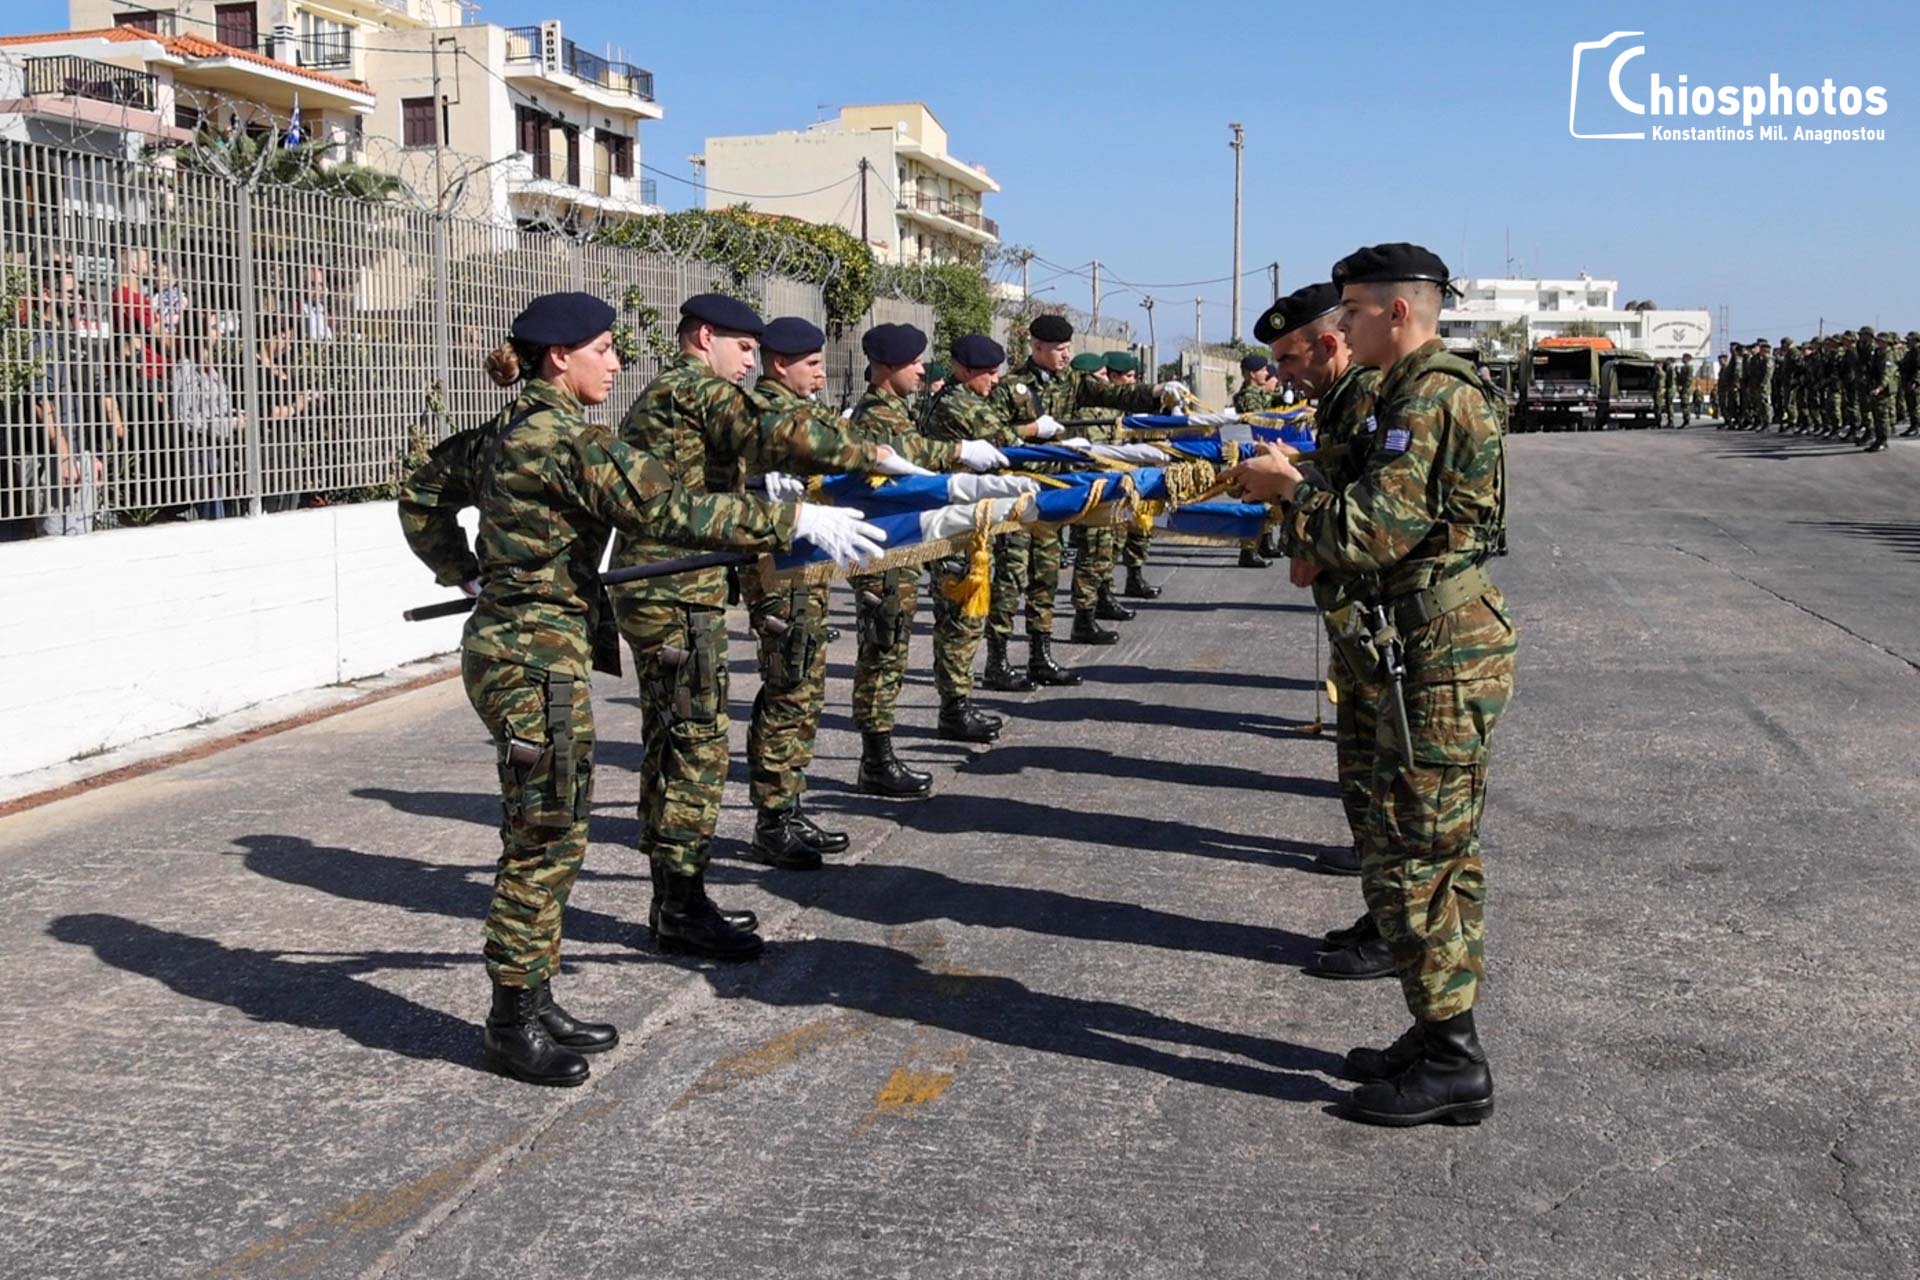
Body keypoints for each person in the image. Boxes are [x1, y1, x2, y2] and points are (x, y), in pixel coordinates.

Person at [397, 291, 883, 1086]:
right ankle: (510, 1021)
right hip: (530, 661)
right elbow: (667, 504)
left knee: (557, 827)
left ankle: (534, 993)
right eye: (605, 349)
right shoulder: (561, 442)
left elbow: (423, 492)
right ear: (561, 357)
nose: (617, 363)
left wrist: (464, 568)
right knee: (545, 836)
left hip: (526, 648)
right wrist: (787, 526)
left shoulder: (504, 432)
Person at [1229, 243, 1513, 1127]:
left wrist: (1287, 493)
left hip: (1439, 654)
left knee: (1420, 857)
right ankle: (1436, 1037)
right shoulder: (1405, 392)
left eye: (1350, 311)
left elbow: (1368, 531)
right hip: (1420, 645)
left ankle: (1455, 1060)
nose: (1340, 326)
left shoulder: (1430, 397)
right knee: (1417, 848)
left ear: (1397, 311)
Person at [612, 294, 900, 959]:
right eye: (744, 348)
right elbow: (779, 431)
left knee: (674, 742)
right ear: (704, 337)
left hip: (675, 583)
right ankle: (680, 908)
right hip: (674, 589)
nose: (750, 362)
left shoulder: (683, 394)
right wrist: (877, 453)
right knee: (694, 746)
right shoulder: (692, 387)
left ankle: (676, 900)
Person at [742, 316, 915, 865]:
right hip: (780, 571)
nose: (820, 375)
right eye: (812, 365)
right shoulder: (768, 411)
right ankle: (773, 819)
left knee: (805, 684)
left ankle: (789, 806)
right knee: (789, 684)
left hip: (808, 570)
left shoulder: (802, 408)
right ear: (780, 365)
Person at [1255, 282, 1387, 970]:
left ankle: (1398, 929)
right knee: (1359, 768)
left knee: (1385, 784)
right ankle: (1383, 908)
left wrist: (1289, 494)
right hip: (1356, 617)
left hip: (1380, 616)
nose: (1284, 374)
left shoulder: (1368, 397)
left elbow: (1368, 517)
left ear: (1329, 343)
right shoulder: (1338, 399)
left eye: (1290, 358)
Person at [988, 314, 1181, 684]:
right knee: (1009, 580)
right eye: (1059, 349)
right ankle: (997, 660)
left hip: (1053, 496)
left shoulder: (1072, 382)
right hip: (1015, 495)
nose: (1066, 355)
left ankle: (1039, 657)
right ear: (1037, 347)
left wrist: (1156, 393)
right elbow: (990, 437)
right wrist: (1033, 434)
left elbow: (1114, 394)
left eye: (1068, 348)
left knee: (1044, 577)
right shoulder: (1011, 386)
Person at [844, 322, 983, 793]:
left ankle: (881, 755)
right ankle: (876, 761)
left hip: (899, 546)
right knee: (883, 650)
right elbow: (912, 455)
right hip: (881, 552)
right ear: (888, 368)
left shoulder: (897, 410)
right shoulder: (877, 418)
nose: (923, 370)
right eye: (914, 363)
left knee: (893, 648)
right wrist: (962, 450)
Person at [921, 332, 1034, 714]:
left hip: (974, 517)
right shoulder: (959, 403)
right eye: (987, 373)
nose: (995, 380)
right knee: (960, 619)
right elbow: (1003, 439)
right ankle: (954, 707)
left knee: (971, 615)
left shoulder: (967, 398)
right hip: (958, 522)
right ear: (963, 370)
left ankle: (960, 699)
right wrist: (1037, 431)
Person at [170, 309, 244, 519]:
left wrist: (236, 417)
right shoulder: (184, 369)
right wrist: (225, 425)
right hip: (200, 452)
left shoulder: (211, 370)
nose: (217, 334)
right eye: (212, 328)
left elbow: (221, 405)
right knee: (213, 514)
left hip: (221, 450)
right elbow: (184, 416)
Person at [1232, 355, 1280, 567]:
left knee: (1266, 497)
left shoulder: (1259, 393)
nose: (1266, 374)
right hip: (1253, 451)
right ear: (1252, 373)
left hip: (1262, 451)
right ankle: (1248, 549)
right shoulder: (1248, 396)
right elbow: (1260, 420)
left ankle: (1263, 541)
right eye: (1262, 370)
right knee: (1253, 498)